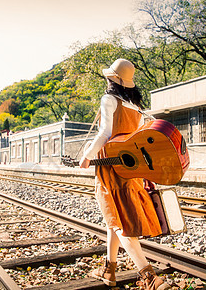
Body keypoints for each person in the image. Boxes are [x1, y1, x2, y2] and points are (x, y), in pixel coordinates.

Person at [79, 59, 169, 290]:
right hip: (132, 168)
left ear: (115, 80)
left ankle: (150, 277)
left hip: (111, 167)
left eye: (110, 76)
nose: (107, 78)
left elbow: (105, 133)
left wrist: (88, 155)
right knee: (114, 220)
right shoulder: (136, 107)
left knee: (119, 221)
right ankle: (109, 270)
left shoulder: (109, 100)